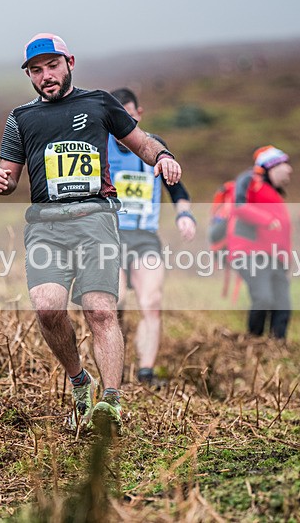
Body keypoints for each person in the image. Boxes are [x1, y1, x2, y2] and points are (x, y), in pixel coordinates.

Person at [0, 33, 183, 435]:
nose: (46, 76)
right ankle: (80, 382)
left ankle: (111, 402)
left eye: (52, 66)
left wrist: (163, 156)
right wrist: (1, 181)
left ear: (70, 63)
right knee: (48, 309)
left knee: (100, 311)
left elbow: (141, 143)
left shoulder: (99, 103)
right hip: (45, 225)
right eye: (36, 70)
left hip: (96, 219)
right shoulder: (20, 118)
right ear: (29, 76)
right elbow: (9, 175)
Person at [106, 87, 196, 387]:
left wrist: (185, 215)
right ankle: (112, 369)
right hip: (109, 237)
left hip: (145, 238)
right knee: (114, 301)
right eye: (117, 120)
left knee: (152, 301)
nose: (123, 126)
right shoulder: (100, 147)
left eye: (129, 118)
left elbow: (178, 190)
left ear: (139, 114)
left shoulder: (155, 147)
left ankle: (146, 373)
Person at [227, 146, 294, 339]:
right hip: (250, 254)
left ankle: (277, 346)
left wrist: (285, 259)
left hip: (275, 257)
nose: (289, 169)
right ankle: (254, 342)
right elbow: (238, 206)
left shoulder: (275, 193)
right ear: (271, 167)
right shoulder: (250, 180)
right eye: (284, 164)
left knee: (283, 305)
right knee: (263, 298)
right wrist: (266, 219)